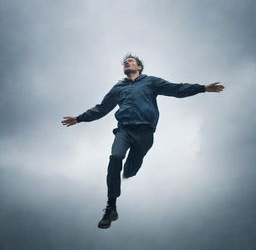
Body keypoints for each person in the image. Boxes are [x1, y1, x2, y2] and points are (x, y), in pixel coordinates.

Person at [61, 53, 225, 229]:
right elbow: (101, 108)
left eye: (130, 61)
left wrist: (202, 88)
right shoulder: (118, 88)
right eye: (125, 62)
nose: (126, 63)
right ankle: (111, 207)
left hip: (145, 132)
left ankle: (130, 169)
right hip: (124, 130)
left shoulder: (150, 82)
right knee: (115, 157)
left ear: (139, 67)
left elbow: (175, 89)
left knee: (131, 169)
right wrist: (79, 118)